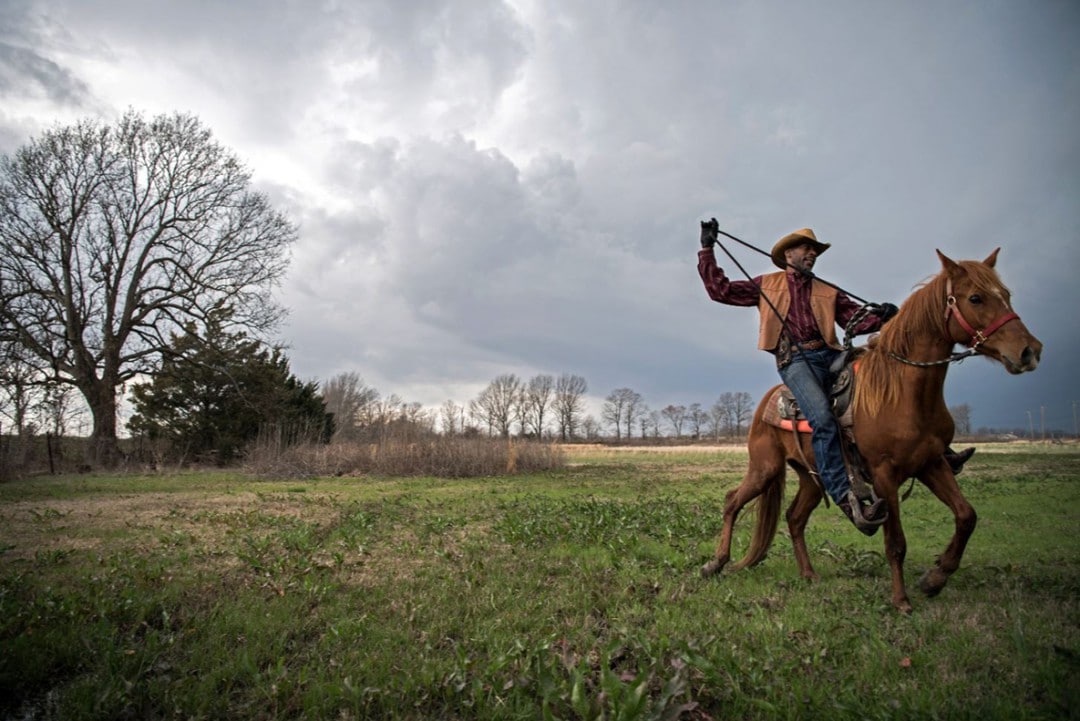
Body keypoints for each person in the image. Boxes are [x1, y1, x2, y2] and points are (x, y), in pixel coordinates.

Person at [697, 221, 896, 534]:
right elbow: (720, 291)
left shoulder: (828, 290)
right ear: (788, 253)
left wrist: (883, 317)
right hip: (796, 361)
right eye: (806, 249)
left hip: (830, 355)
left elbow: (855, 322)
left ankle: (933, 451)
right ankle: (845, 495)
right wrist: (707, 250)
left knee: (881, 376)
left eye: (814, 250)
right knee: (824, 420)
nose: (812, 254)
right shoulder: (767, 284)